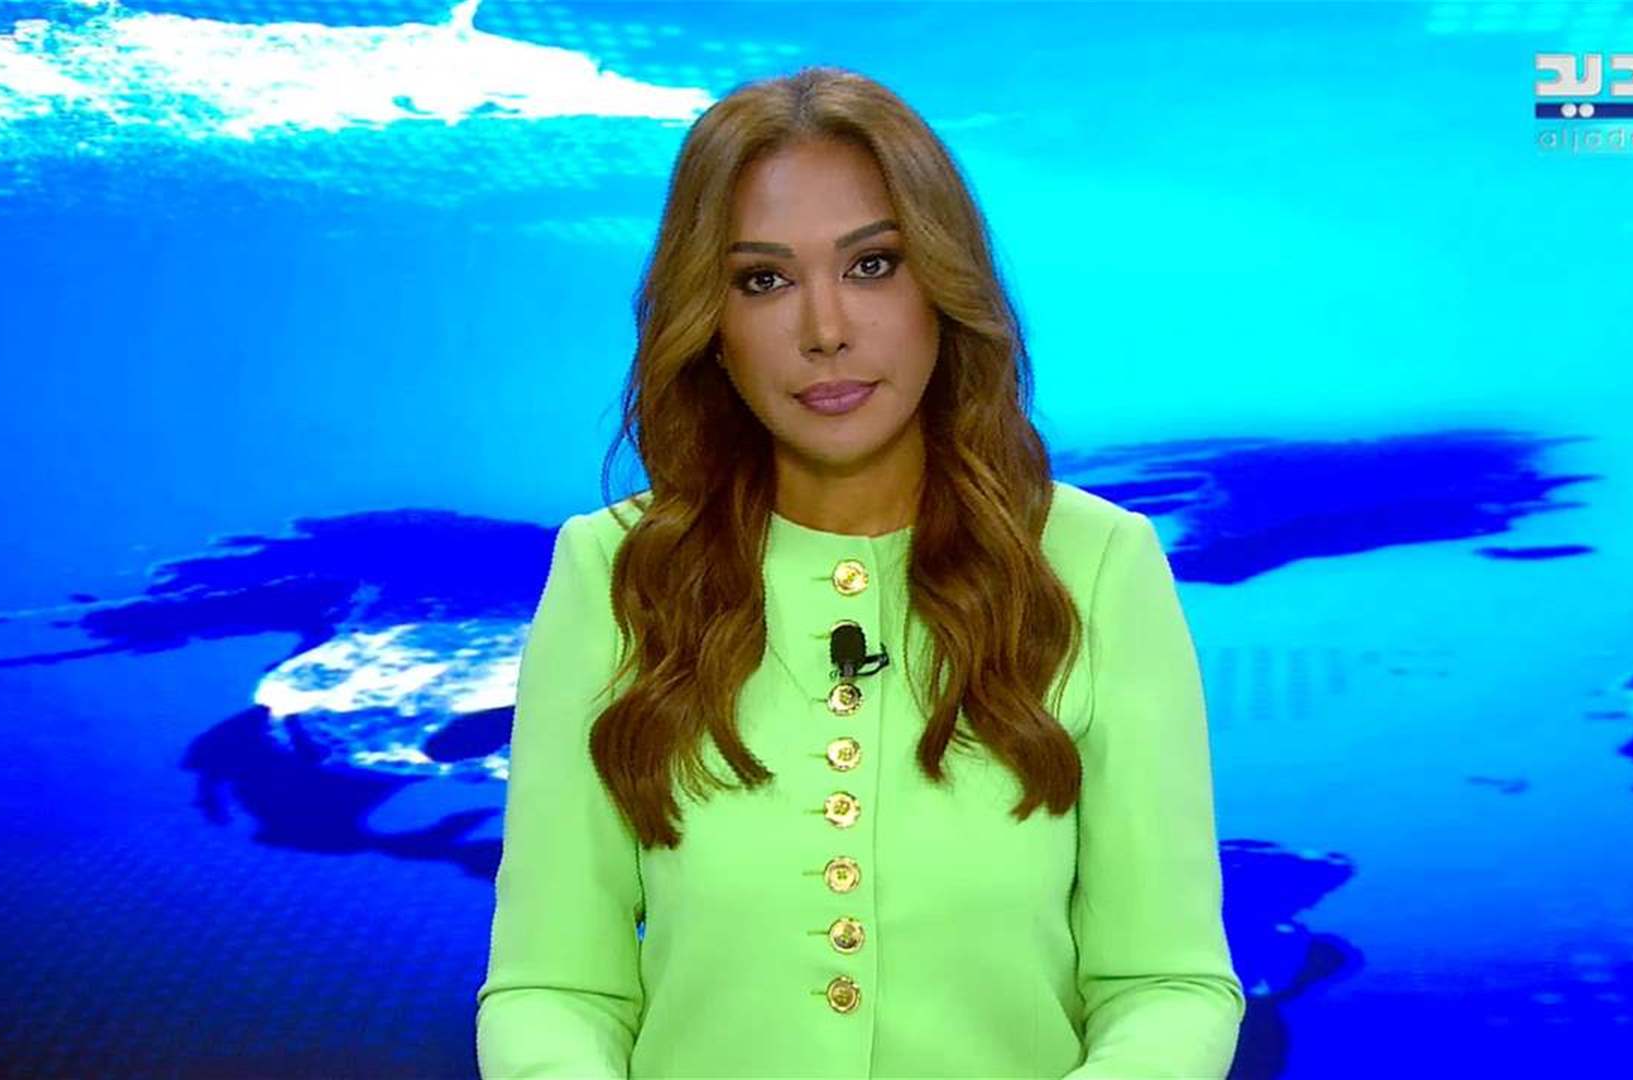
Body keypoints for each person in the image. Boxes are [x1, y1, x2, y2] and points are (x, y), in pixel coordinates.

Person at [475, 65, 1246, 1079]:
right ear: (710, 325)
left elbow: (1166, 984)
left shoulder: (1097, 565)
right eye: (764, 281)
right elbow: (553, 990)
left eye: (873, 265)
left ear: (944, 289)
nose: (826, 330)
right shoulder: (611, 573)